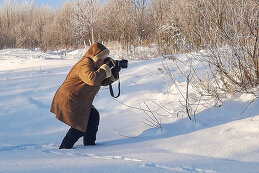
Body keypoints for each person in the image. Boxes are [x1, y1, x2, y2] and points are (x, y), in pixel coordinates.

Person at [50, 42, 120, 149]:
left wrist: (114, 72)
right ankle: (64, 149)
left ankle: (90, 146)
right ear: (96, 57)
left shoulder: (96, 65)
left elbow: (101, 81)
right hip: (69, 99)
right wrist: (106, 68)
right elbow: (92, 79)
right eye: (104, 57)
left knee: (93, 117)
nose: (105, 59)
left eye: (107, 56)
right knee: (79, 126)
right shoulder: (85, 63)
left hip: (80, 101)